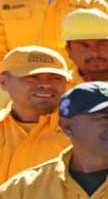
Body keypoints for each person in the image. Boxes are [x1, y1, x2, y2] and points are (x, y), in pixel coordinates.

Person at [0, 46, 71, 181]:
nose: (45, 84)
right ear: (3, 81)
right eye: (32, 77)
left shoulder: (82, 133)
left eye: (55, 78)